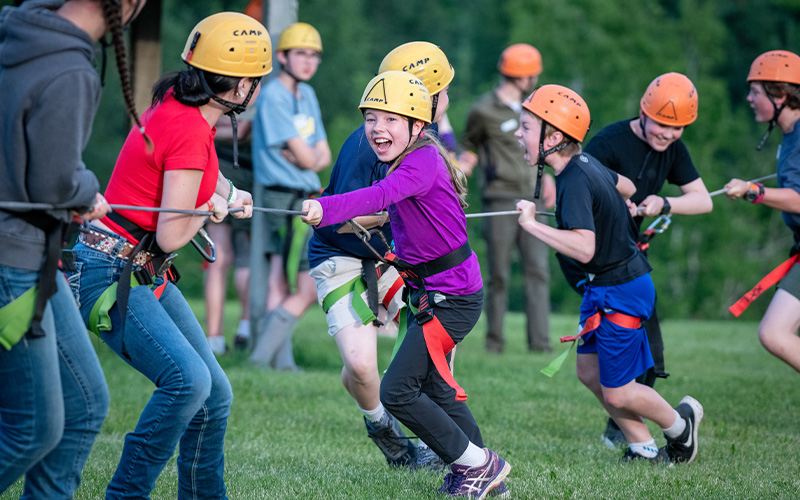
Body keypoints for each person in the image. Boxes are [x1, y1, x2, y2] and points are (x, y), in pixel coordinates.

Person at [66, 12, 264, 498]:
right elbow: (174, 233)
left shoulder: (181, 103)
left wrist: (228, 191)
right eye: (255, 81)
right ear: (240, 87)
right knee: (187, 382)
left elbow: (195, 169)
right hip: (108, 271)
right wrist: (210, 208)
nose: (254, 90)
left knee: (215, 394)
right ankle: (125, 494)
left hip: (137, 267)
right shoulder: (194, 129)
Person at [302, 71, 511, 500]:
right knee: (437, 387)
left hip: (451, 297)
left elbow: (380, 195)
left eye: (391, 119)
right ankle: (482, 471)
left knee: (396, 391)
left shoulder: (420, 161)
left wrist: (324, 207)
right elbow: (391, 208)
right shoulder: (403, 159)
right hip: (435, 293)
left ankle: (478, 465)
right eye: (372, 118)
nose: (379, 128)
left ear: (418, 125)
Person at [0, 0, 146, 496]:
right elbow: (54, 181)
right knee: (32, 429)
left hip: (34, 255)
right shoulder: (70, 69)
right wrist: (86, 192)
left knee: (84, 408)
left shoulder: (17, 34)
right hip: (13, 258)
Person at [515, 84, 702, 464]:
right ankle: (643, 448)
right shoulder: (586, 163)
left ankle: (682, 429)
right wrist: (618, 204)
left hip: (624, 288)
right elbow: (628, 185)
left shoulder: (572, 180)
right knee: (588, 372)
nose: (518, 134)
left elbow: (584, 247)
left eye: (525, 127)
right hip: (604, 286)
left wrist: (532, 225)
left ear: (553, 138)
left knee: (618, 391)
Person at [307, 41, 456, 471]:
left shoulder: (425, 140)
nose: (449, 97)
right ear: (425, 97)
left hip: (392, 256)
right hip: (342, 254)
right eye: (444, 89)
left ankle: (434, 434)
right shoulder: (366, 146)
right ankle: (383, 428)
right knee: (360, 365)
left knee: (434, 344)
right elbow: (339, 220)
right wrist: (390, 211)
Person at [558, 72, 712, 446]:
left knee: (638, 349)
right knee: (596, 363)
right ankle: (641, 426)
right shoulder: (609, 142)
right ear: (644, 113)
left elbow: (703, 200)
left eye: (677, 128)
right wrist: (614, 204)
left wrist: (666, 201)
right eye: (661, 124)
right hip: (593, 260)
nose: (667, 134)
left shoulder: (673, 149)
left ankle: (638, 430)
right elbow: (583, 185)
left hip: (628, 260)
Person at [460, 43, 555, 354]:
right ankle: (494, 343)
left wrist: (551, 175)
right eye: (532, 75)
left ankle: (540, 344)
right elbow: (468, 144)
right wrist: (465, 164)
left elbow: (550, 145)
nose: (535, 79)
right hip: (500, 198)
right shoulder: (483, 109)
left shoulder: (538, 106)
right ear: (518, 76)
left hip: (535, 197)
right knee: (498, 273)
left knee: (537, 270)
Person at [250, 21, 331, 371]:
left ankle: (276, 363)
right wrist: (305, 156)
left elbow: (321, 156)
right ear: (282, 57)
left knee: (298, 282)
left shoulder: (308, 95)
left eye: (314, 55)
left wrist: (304, 156)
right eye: (301, 53)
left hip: (305, 194)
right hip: (279, 197)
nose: (309, 61)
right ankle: (264, 361)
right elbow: (309, 157)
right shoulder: (273, 96)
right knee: (289, 281)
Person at [725, 50, 800, 372]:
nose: (749, 98)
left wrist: (754, 191)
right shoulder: (789, 136)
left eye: (756, 92)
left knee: (774, 333)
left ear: (780, 94)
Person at [203, 3, 264, 355]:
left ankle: (241, 326)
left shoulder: (256, 80)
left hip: (251, 176)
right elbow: (230, 127)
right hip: (221, 168)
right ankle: (214, 335)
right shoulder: (229, 75)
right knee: (220, 255)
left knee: (245, 257)